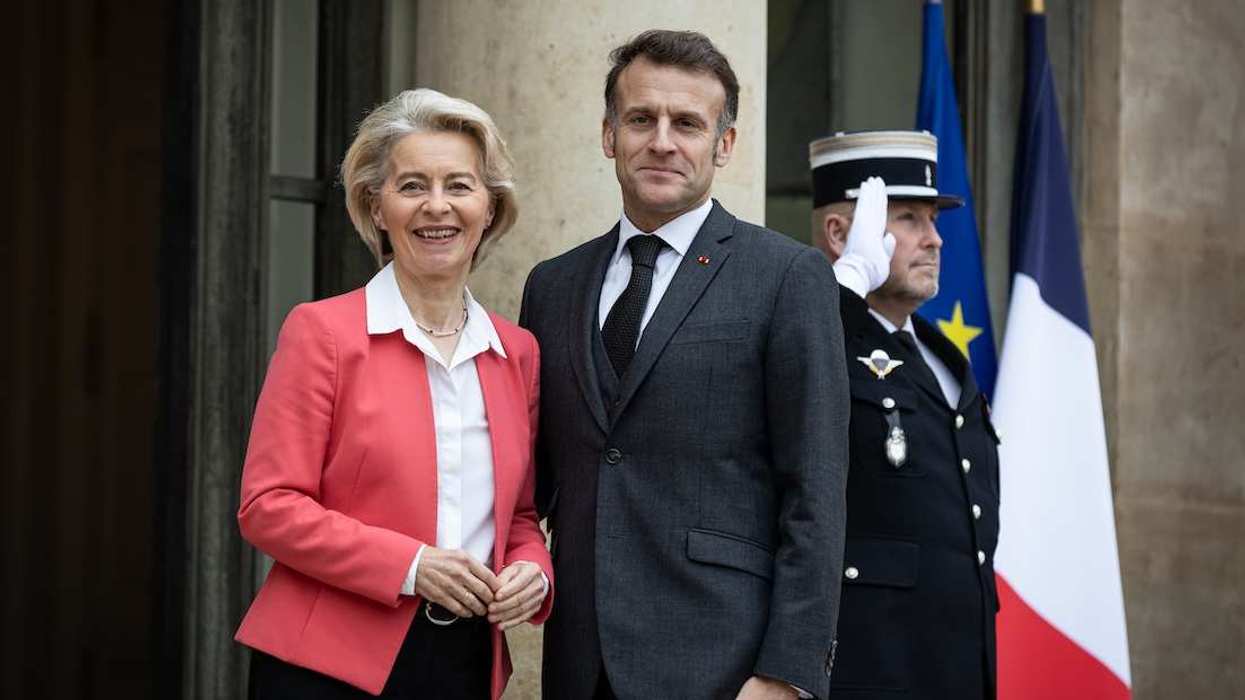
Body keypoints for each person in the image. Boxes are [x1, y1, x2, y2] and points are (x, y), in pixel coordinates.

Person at [520, 30, 849, 700]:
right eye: (640, 119)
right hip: (581, 665)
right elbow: (536, 481)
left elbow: (814, 491)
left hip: (723, 666)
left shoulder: (786, 277)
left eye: (687, 124)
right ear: (609, 134)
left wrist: (786, 672)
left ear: (723, 145)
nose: (662, 141)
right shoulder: (552, 286)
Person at [234, 88, 553, 700]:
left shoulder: (518, 353)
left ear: (489, 208)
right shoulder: (322, 332)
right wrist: (411, 566)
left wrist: (532, 573)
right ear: (377, 208)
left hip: (464, 663)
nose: (438, 207)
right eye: (412, 186)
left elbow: (517, 516)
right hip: (324, 666)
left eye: (459, 186)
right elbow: (268, 505)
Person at [808, 130, 1001, 699]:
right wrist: (844, 286)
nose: (935, 239)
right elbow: (793, 370)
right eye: (910, 218)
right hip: (868, 668)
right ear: (841, 234)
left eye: (934, 220)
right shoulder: (823, 337)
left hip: (957, 665)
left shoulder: (943, 355)